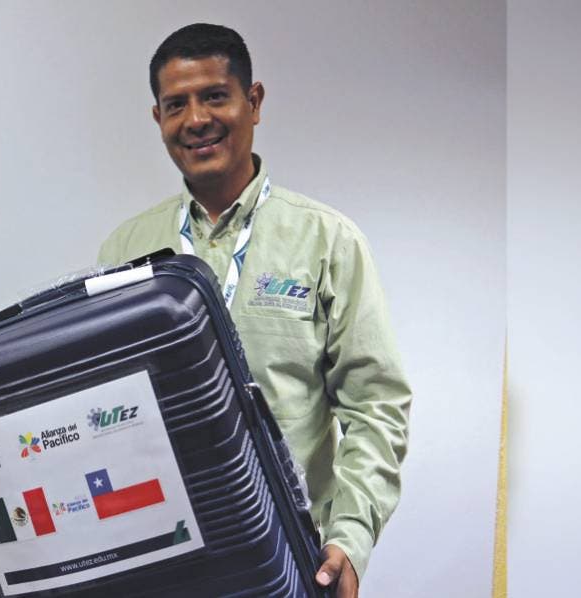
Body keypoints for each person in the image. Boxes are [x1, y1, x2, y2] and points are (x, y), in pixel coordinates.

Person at [97, 24, 411, 597]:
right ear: (159, 119)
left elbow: (376, 406)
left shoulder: (327, 241)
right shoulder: (123, 251)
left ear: (254, 102)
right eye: (176, 105)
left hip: (287, 559)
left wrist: (350, 537)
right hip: (166, 564)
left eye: (215, 96)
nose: (196, 119)